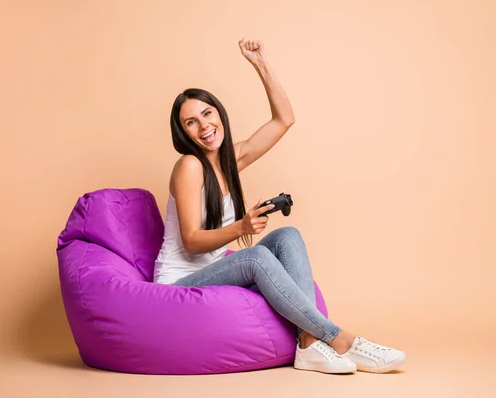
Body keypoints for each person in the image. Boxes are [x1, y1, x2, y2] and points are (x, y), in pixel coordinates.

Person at [153, 37, 406, 374]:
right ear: (183, 133)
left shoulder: (232, 160)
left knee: (287, 236)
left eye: (207, 114)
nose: (205, 126)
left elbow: (284, 119)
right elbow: (192, 240)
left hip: (208, 273)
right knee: (256, 256)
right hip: (179, 286)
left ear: (219, 114)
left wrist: (261, 63)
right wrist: (241, 228)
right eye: (191, 123)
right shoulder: (189, 166)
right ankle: (340, 339)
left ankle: (308, 344)